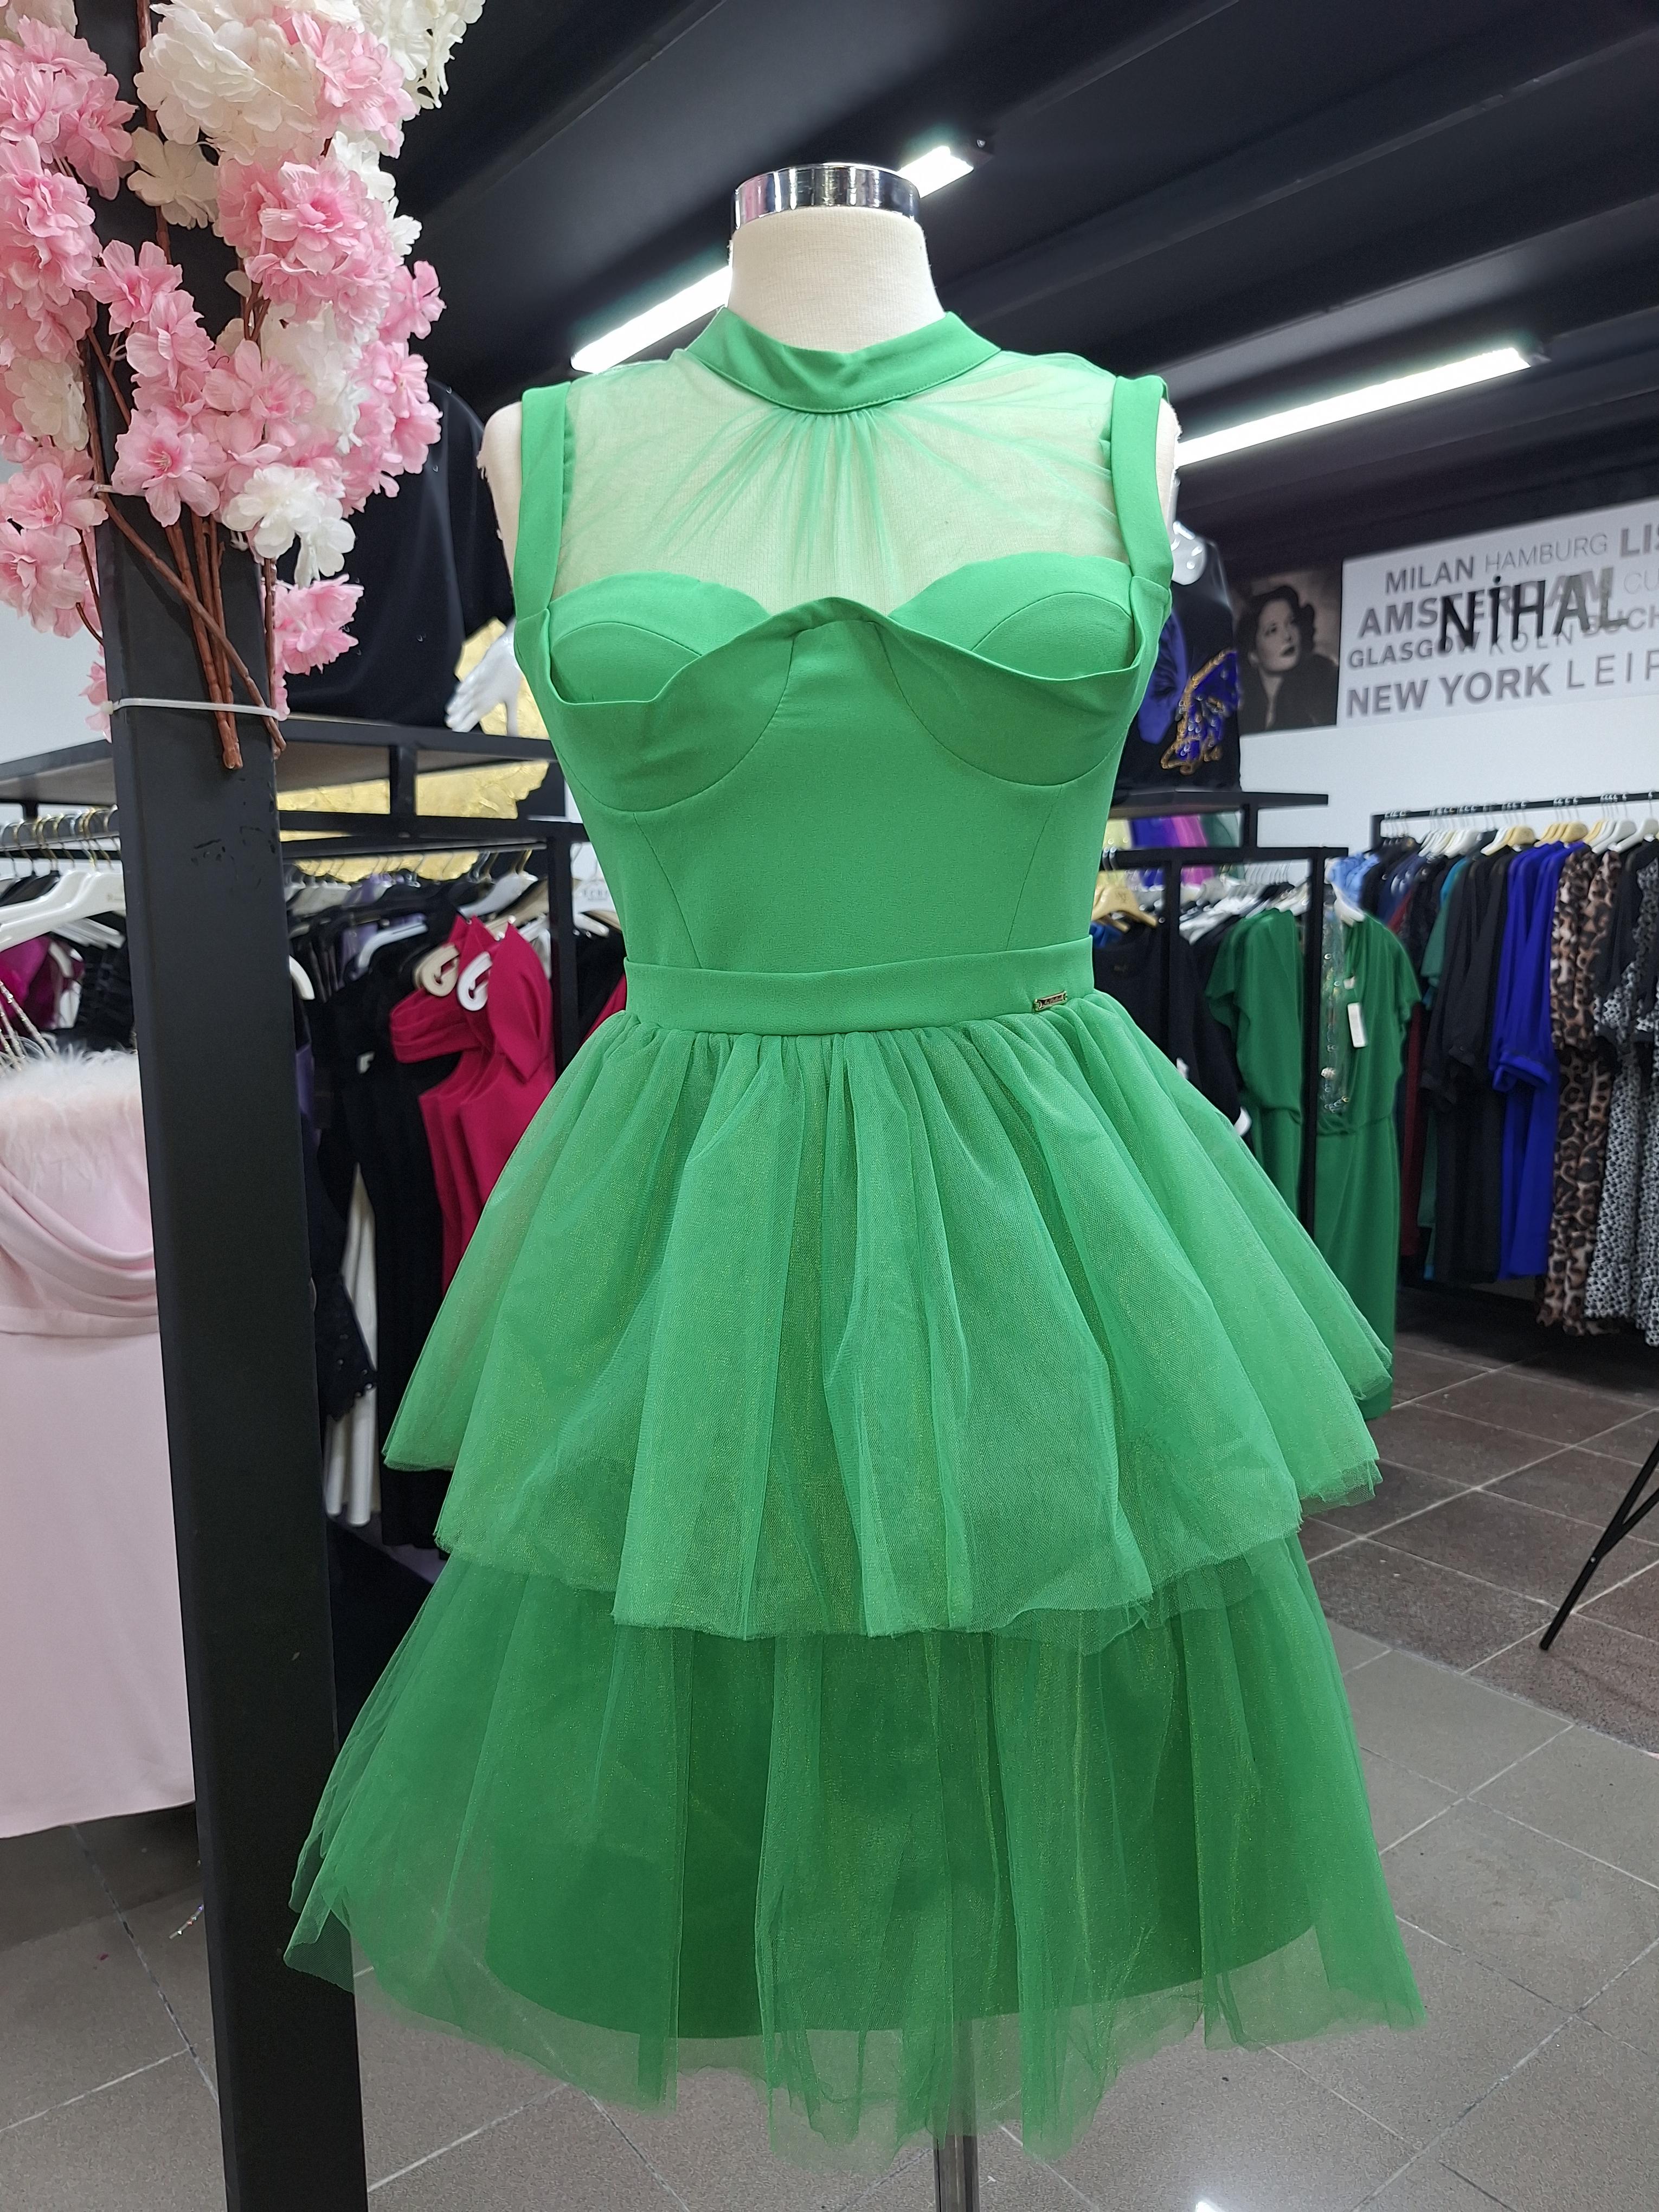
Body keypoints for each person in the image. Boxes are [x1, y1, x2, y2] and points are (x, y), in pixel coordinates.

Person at [1237, 582, 1339, 731]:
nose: (1287, 635)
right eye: (1273, 630)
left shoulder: (1326, 685)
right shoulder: (1241, 713)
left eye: (1291, 622)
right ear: (1253, 654)